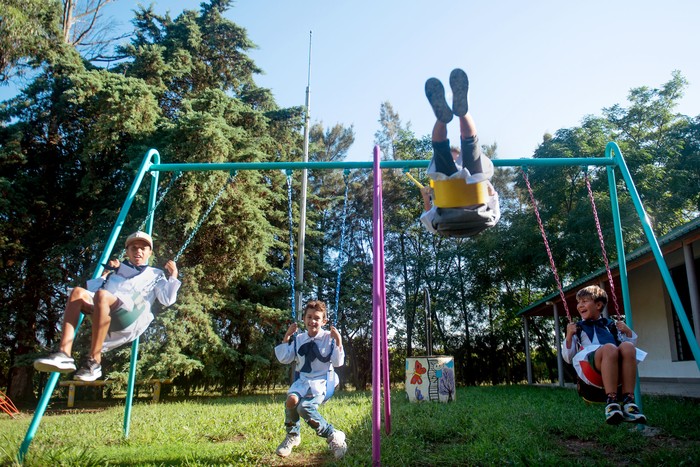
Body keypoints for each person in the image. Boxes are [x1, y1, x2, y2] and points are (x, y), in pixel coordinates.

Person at [34, 231, 181, 381]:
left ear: (150, 252)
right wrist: (105, 275)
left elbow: (167, 299)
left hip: (132, 315)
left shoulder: (155, 274)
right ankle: (64, 353)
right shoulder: (115, 272)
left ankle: (94, 360)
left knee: (102, 295)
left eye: (143, 248)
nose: (138, 251)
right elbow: (91, 292)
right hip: (106, 311)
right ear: (127, 252)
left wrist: (173, 274)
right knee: (77, 293)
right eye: (134, 248)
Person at [420, 68, 500, 237]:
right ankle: (456, 114)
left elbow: (493, 195)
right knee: (455, 146)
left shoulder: (444, 179)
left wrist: (427, 196)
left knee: (467, 146)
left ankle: (451, 116)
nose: (457, 167)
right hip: (472, 203)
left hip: (453, 208)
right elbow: (491, 193)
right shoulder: (462, 173)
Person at [562, 285, 648, 425]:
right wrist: (569, 336)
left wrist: (627, 331)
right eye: (579, 302)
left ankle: (628, 401)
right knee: (609, 348)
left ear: (598, 305)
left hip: (614, 362)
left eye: (584, 301)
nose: (580, 305)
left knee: (628, 346)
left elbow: (629, 351)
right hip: (590, 365)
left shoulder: (610, 325)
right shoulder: (578, 328)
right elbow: (567, 357)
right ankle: (612, 401)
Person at [274, 300, 347, 459]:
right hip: (303, 381)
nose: (312, 321)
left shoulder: (329, 337)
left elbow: (337, 362)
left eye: (317, 318)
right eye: (309, 317)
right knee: (291, 401)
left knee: (304, 408)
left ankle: (333, 435)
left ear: (324, 321)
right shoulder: (299, 338)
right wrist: (287, 336)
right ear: (304, 319)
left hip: (322, 382)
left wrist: (339, 341)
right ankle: (293, 436)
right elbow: (285, 358)